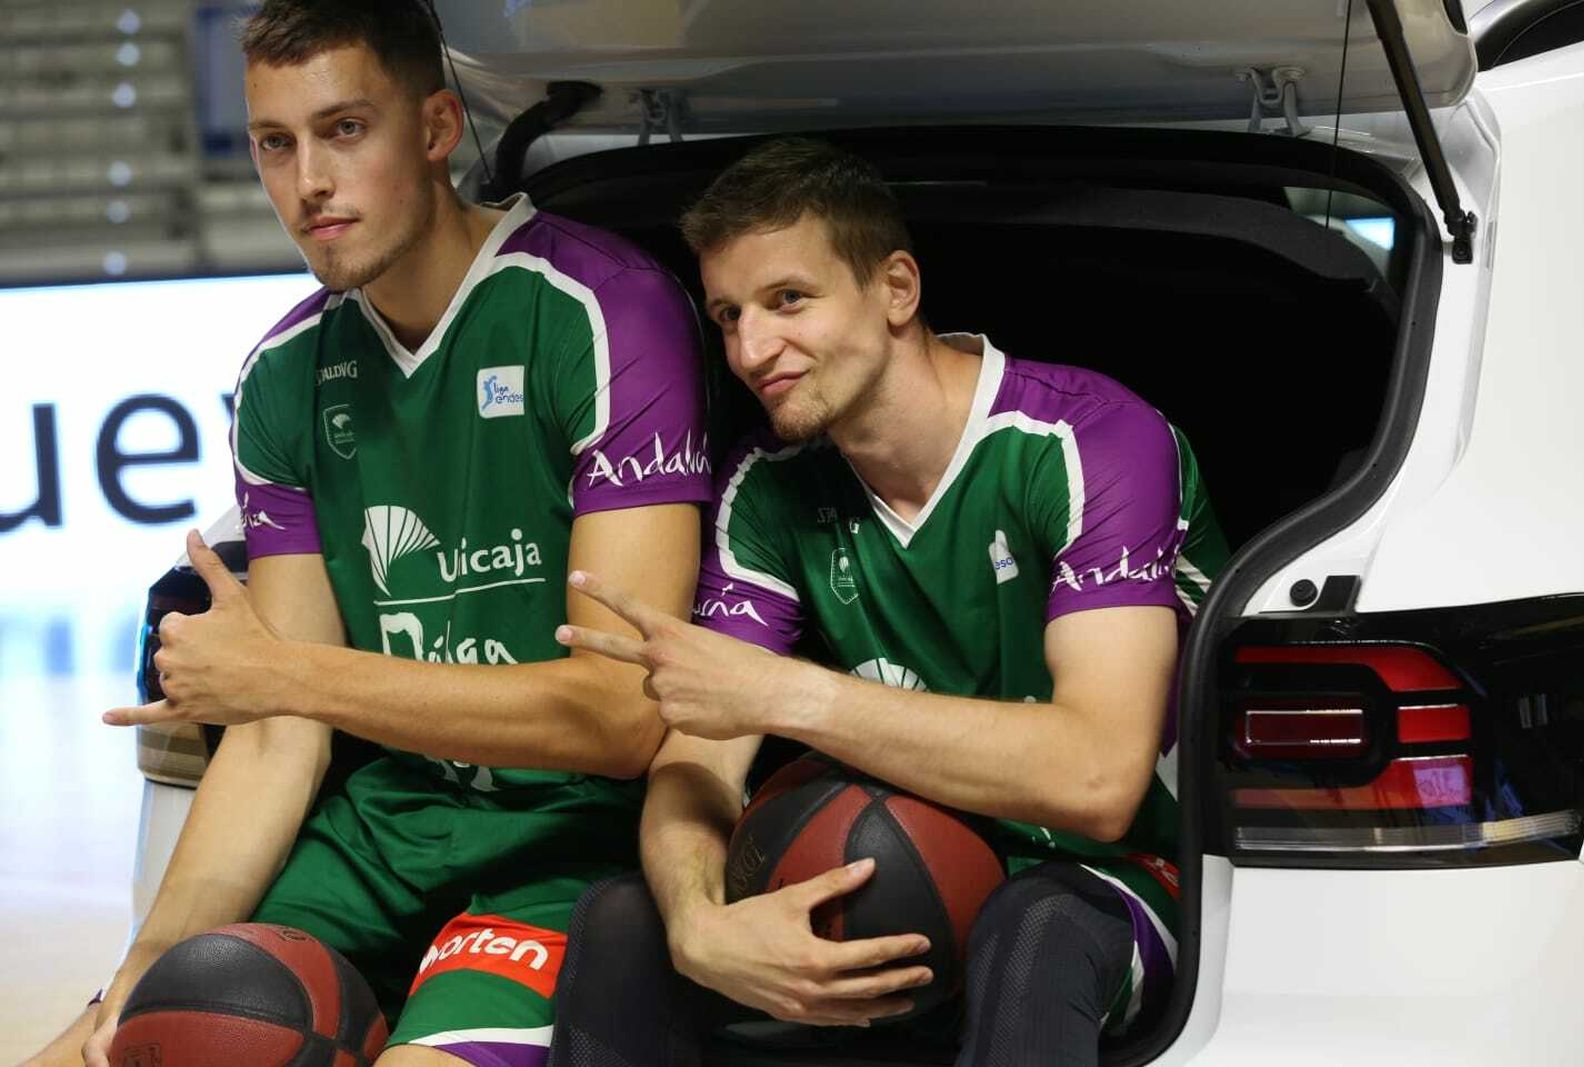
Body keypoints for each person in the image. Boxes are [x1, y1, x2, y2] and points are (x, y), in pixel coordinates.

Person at [27, 3, 709, 1065]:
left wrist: (283, 673)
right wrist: (131, 982)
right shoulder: (282, 373)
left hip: (575, 840)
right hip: (381, 833)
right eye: (274, 142)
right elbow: (278, 726)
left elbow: (617, 715)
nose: (307, 182)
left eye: (345, 129)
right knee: (141, 1045)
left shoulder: (597, 308)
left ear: (437, 127)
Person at [545, 138, 1228, 1067]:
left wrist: (790, 694)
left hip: (1124, 879)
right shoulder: (768, 486)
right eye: (728, 314)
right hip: (913, 865)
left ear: (897, 289)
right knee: (625, 918)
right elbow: (698, 758)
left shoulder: (1088, 443)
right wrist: (698, 924)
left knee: (1038, 929)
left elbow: (1100, 780)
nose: (750, 349)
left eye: (789, 300)